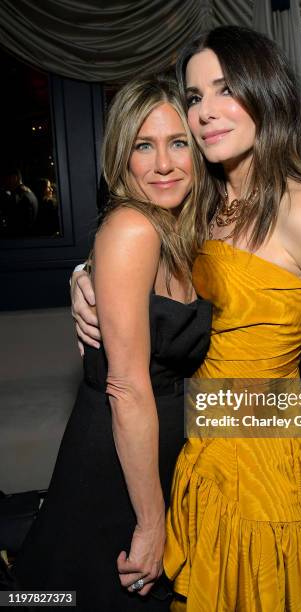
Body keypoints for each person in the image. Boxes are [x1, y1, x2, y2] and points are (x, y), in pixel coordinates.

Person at [72, 26, 301, 611]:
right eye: (194, 96)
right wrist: (82, 277)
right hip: (198, 451)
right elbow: (143, 256)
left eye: (225, 89)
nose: (205, 111)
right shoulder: (206, 199)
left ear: (266, 94)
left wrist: (287, 418)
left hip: (265, 462)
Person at [13, 72, 212, 611]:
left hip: (158, 448)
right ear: (121, 157)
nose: (163, 164)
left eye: (177, 144)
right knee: (71, 591)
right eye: (143, 146)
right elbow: (126, 386)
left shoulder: (181, 230)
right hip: (115, 460)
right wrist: (151, 523)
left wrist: (83, 274)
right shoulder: (134, 228)